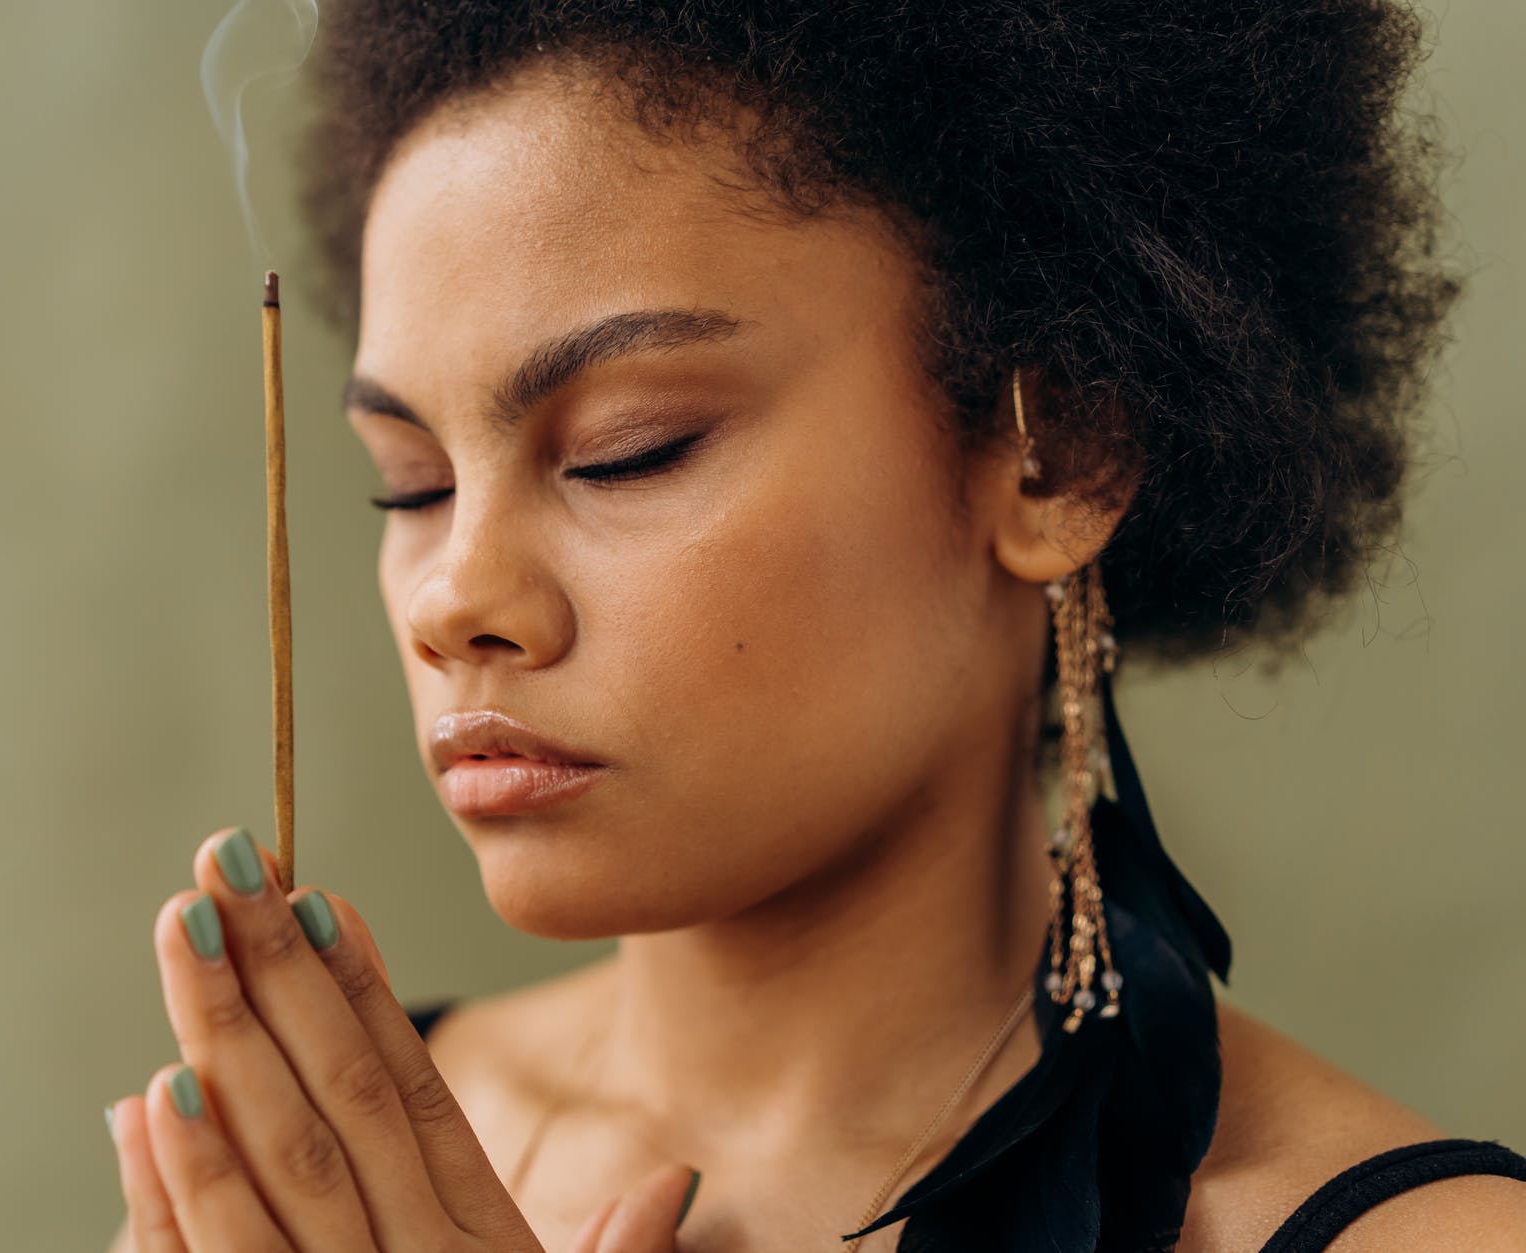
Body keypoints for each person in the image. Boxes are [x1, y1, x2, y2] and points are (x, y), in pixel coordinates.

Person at [102, 2, 1526, 1248]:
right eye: (410, 480)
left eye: (627, 449)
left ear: (1058, 455)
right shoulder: (308, 1189)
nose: (453, 595)